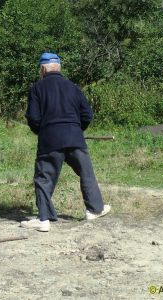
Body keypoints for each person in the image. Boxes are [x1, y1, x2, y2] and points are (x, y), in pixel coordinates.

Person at [22, 52, 111, 232]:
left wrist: (43, 130)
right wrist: (76, 130)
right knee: (86, 172)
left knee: (44, 178)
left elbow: (33, 117)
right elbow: (87, 115)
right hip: (75, 138)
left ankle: (44, 219)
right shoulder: (73, 87)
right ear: (58, 67)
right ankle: (94, 210)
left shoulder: (37, 88)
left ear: (43, 68)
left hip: (50, 140)